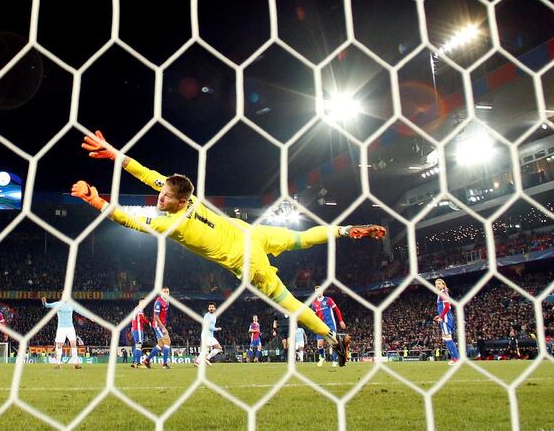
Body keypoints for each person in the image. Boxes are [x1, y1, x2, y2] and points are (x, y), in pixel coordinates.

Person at [72, 131, 386, 366]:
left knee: (289, 301)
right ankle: (344, 230)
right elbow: (146, 174)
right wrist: (114, 155)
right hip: (250, 233)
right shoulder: (185, 197)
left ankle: (333, 338)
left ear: (182, 201)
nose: (160, 199)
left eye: (166, 197)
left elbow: (131, 221)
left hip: (247, 261)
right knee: (299, 237)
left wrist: (97, 201)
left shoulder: (173, 223)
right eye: (161, 193)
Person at [41, 297, 83, 369]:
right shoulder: (57, 304)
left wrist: (90, 317)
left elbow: (80, 311)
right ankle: (58, 364)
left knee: (73, 344)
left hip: (70, 327)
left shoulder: (71, 305)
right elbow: (47, 305)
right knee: (59, 345)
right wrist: (44, 302)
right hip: (61, 328)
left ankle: (75, 364)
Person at [312, 286, 346, 367]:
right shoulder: (314, 303)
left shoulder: (328, 300)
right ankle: (322, 358)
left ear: (322, 291)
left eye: (319, 291)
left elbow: (337, 310)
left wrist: (341, 320)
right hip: (320, 325)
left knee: (332, 342)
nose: (318, 292)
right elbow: (313, 316)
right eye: (316, 291)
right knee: (319, 344)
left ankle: (334, 360)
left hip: (330, 324)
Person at [143, 288, 172, 369]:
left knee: (161, 345)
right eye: (164, 292)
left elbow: (164, 315)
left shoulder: (167, 301)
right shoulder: (158, 302)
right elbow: (156, 316)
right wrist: (162, 327)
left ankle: (147, 360)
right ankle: (165, 364)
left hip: (162, 324)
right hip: (157, 325)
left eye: (167, 292)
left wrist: (164, 325)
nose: (166, 293)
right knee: (167, 342)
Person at [433, 278, 459, 366]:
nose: (437, 285)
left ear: (443, 285)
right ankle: (453, 358)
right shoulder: (441, 294)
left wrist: (441, 316)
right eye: (436, 284)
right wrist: (439, 315)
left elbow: (447, 307)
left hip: (445, 319)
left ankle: (456, 358)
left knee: (448, 339)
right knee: (446, 339)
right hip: (445, 317)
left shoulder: (443, 293)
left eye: (440, 283)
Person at [195, 302, 222, 366]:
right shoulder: (207, 316)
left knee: (219, 348)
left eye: (212, 307)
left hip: (210, 335)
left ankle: (206, 358)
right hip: (206, 335)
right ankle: (198, 361)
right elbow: (208, 326)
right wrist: (217, 329)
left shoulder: (214, 316)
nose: (211, 308)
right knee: (206, 350)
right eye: (210, 307)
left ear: (215, 308)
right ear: (208, 308)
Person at [130, 298, 150, 368]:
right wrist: (148, 323)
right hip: (138, 329)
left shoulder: (136, 309)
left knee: (136, 346)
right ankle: (138, 363)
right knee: (139, 345)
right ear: (140, 302)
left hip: (133, 329)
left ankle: (134, 362)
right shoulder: (139, 308)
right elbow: (141, 317)